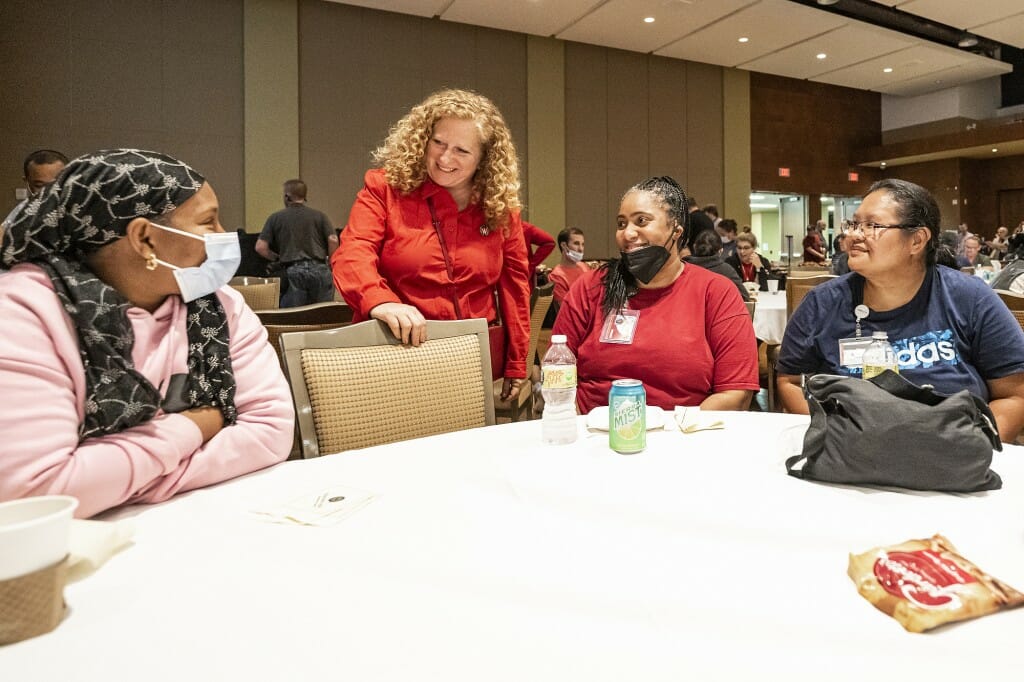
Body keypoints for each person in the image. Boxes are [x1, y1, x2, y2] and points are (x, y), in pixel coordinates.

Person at [0, 149, 294, 517]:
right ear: (145, 239)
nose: (224, 236)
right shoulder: (24, 312)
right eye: (208, 222)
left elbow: (271, 431)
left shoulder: (221, 305)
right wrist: (194, 425)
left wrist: (115, 483)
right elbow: (35, 494)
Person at [776, 179, 1024, 443]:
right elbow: (790, 382)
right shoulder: (821, 303)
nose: (854, 235)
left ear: (917, 241)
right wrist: (835, 437)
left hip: (950, 458)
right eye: (854, 224)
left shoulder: (970, 298)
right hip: (851, 457)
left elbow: (1014, 394)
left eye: (872, 225)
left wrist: (971, 448)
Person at [332, 88, 531, 401]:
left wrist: (517, 361)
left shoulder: (501, 210)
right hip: (395, 353)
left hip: (468, 359)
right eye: (438, 142)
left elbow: (515, 287)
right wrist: (381, 300)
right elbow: (352, 254)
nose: (444, 158)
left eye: (462, 151)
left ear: (484, 160)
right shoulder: (384, 188)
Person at [553, 176, 758, 413]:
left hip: (685, 438)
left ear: (676, 231)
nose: (627, 233)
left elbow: (734, 393)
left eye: (641, 221)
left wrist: (676, 433)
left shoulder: (715, 293)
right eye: (621, 224)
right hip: (594, 436)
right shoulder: (591, 287)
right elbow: (557, 371)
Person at [256, 179, 338, 307]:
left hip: (293, 271)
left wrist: (277, 258)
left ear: (287, 196)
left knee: (295, 317)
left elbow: (260, 247)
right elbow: (333, 239)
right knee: (323, 314)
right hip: (320, 269)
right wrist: (331, 261)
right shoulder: (320, 216)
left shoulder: (276, 218)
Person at [1, 149, 68, 243]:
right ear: (27, 182)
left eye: (56, 184)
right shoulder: (23, 211)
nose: (49, 191)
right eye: (39, 186)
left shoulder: (83, 206)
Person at [684, 228, 749, 302]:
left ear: (694, 247)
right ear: (721, 251)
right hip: (719, 312)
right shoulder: (726, 271)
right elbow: (744, 298)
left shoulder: (682, 267)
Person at [549, 226, 591, 305]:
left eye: (583, 244)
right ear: (564, 246)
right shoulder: (557, 276)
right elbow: (565, 308)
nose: (581, 249)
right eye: (576, 243)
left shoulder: (584, 267)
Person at [521, 220, 555, 290]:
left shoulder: (524, 228)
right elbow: (549, 242)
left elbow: (549, 242)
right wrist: (531, 265)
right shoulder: (524, 227)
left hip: (522, 279)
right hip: (522, 279)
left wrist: (531, 265)